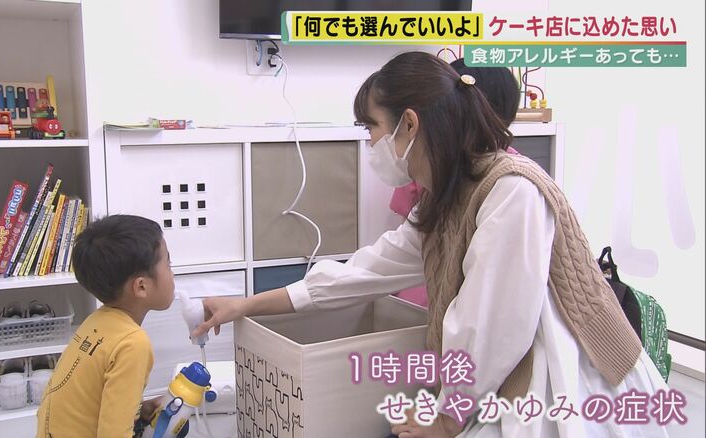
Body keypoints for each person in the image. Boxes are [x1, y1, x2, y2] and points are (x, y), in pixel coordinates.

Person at [194, 52, 668, 437]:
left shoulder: (512, 191)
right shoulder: (443, 201)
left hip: (570, 381)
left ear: (409, 125)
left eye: (371, 128)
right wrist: (246, 305)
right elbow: (358, 274)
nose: (369, 143)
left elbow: (492, 328)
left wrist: (445, 421)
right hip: (500, 376)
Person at [392, 58, 522, 308]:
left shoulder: (512, 183)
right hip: (434, 291)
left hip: (431, 295)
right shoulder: (435, 168)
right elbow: (403, 244)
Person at [36, 214, 175, 438]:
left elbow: (88, 401)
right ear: (141, 287)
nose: (172, 272)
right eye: (168, 264)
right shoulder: (133, 343)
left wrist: (137, 409)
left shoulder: (96, 321)